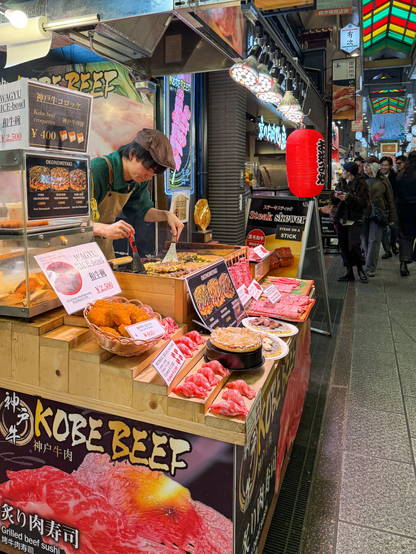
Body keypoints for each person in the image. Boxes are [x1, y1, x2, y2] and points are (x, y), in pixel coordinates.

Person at [91, 129, 184, 259]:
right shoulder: (97, 170)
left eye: (154, 174)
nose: (149, 177)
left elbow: (142, 211)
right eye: (147, 169)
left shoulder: (138, 180)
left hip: (105, 255)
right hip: (79, 252)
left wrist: (166, 215)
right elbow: (70, 221)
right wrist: (103, 229)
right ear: (132, 155)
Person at [330, 162, 370, 283]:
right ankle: (348, 271)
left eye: (344, 170)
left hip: (354, 219)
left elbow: (364, 203)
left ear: (349, 172)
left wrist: (347, 197)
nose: (342, 172)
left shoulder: (361, 184)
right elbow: (334, 201)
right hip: (340, 218)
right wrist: (335, 196)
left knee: (354, 245)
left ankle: (360, 269)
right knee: (343, 246)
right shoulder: (341, 182)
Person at [361, 157, 398, 277]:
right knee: (365, 240)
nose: (365, 168)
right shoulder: (361, 179)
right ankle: (368, 262)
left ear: (374, 167)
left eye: (368, 165)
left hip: (378, 214)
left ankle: (370, 267)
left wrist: (392, 217)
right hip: (363, 214)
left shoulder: (383, 180)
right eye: (364, 165)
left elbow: (390, 199)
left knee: (374, 240)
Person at [395, 151, 416, 276]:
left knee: (405, 236)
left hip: (404, 209)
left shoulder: (401, 175)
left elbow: (396, 194)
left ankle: (404, 261)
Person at [379, 156, 399, 258]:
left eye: (386, 165)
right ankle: (387, 250)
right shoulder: (376, 176)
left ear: (391, 166)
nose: (383, 167)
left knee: (394, 227)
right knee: (383, 229)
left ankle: (393, 244)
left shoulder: (395, 177)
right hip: (381, 206)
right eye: (382, 165)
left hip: (393, 205)